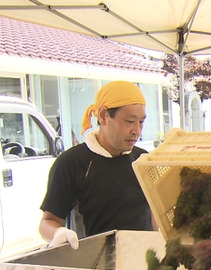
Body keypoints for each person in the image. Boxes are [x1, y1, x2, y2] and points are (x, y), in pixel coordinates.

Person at [39, 81, 156, 249]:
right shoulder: (71, 163)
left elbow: (155, 216)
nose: (137, 131)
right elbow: (48, 221)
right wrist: (58, 233)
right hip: (94, 266)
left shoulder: (143, 160)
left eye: (141, 122)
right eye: (130, 121)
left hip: (141, 262)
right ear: (103, 116)